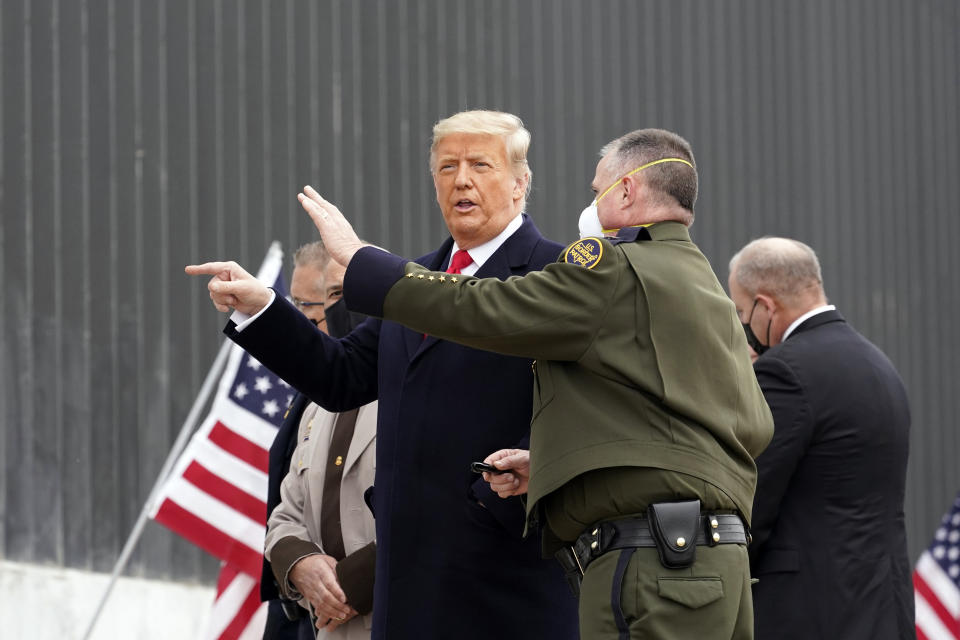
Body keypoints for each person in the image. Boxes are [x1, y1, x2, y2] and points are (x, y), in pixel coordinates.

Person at [288, 128, 774, 639]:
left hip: (648, 563)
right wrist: (552, 462)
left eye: (596, 190)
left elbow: (485, 307)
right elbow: (746, 425)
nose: (591, 203)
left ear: (626, 191)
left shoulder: (611, 265)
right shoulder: (705, 283)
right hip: (718, 563)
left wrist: (363, 259)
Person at [187, 111, 578, 639]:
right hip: (408, 600)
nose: (461, 179)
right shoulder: (410, 283)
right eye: (447, 167)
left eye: (480, 165)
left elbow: (583, 406)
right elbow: (340, 375)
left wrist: (494, 497)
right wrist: (264, 310)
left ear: (519, 182)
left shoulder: (560, 274)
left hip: (506, 588)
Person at [727, 237, 913, 639]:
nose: (743, 328)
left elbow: (749, 501)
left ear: (766, 306)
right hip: (883, 608)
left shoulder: (785, 373)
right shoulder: (878, 365)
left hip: (807, 612)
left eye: (742, 312)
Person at [262, 241, 378, 640]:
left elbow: (431, 514)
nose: (316, 317)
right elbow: (284, 512)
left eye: (335, 297)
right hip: (313, 619)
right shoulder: (315, 407)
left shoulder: (413, 395)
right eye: (300, 304)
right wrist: (300, 565)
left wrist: (346, 587)